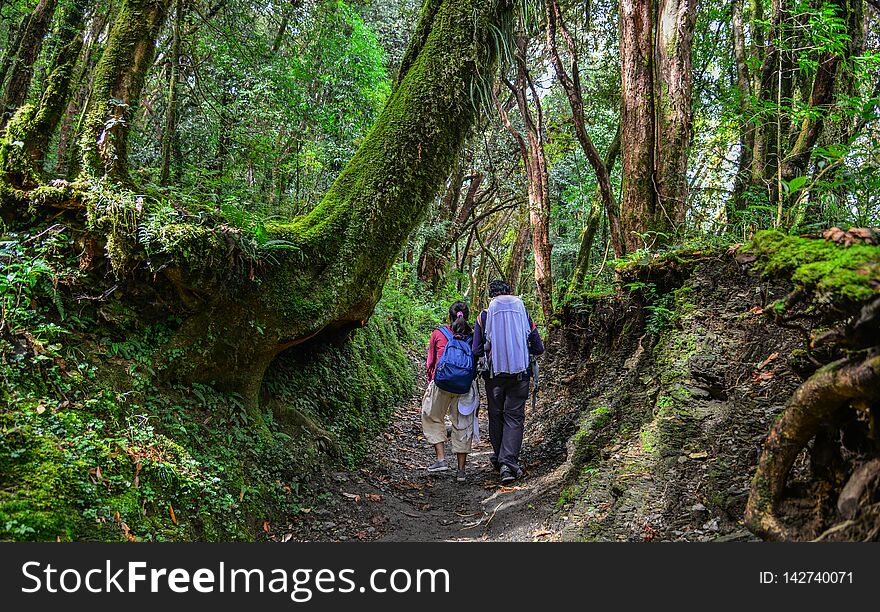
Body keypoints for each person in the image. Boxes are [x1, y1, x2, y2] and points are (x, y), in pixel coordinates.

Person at [472, 280, 544, 483]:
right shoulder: (523, 314)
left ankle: (500, 458)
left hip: (494, 377)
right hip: (520, 375)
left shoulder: (483, 317)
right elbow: (538, 347)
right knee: (514, 417)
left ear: (491, 296)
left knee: (496, 415)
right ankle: (508, 464)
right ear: (510, 293)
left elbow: (476, 350)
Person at [422, 300, 478, 482]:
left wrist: (432, 382)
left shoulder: (439, 334)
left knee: (432, 416)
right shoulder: (474, 335)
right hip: (464, 387)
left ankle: (440, 459)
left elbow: (430, 364)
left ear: (449, 316)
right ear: (467, 317)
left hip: (442, 384)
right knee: (462, 424)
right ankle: (461, 471)